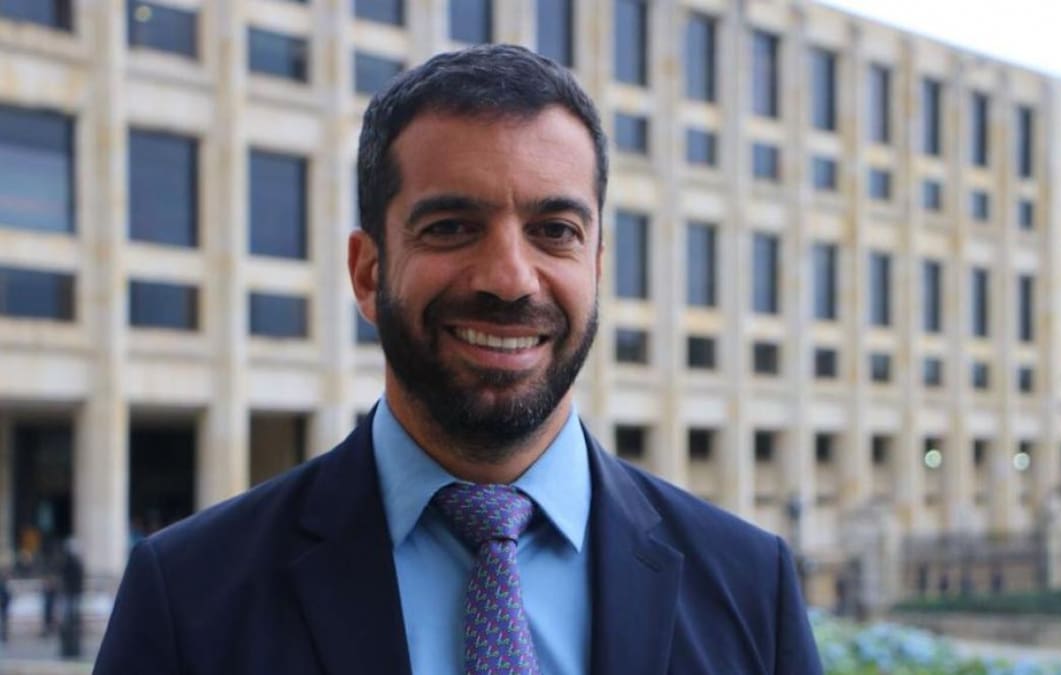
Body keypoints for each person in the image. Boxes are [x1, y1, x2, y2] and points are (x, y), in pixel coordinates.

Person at [94, 44, 822, 674]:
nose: (510, 279)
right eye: (451, 226)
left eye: (554, 230)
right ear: (368, 273)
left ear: (597, 266)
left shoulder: (750, 586)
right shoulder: (188, 595)